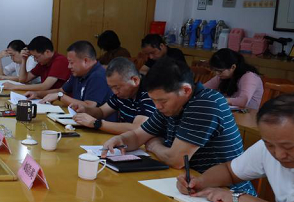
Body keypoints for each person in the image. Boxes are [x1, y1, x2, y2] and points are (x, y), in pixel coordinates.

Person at [102, 57, 254, 194]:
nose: (157, 106)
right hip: (191, 185)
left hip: (228, 194)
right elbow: (137, 136)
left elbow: (176, 160)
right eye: (153, 100)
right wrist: (120, 140)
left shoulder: (206, 104)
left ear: (186, 90)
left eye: (162, 101)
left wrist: (154, 145)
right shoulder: (170, 106)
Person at [68, 57, 157, 134]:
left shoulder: (150, 93)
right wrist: (86, 110)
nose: (114, 92)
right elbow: (102, 112)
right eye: (111, 87)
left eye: (117, 87)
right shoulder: (122, 93)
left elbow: (138, 128)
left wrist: (96, 123)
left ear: (135, 80)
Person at [34, 41, 113, 110]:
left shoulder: (98, 76)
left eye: (71, 62)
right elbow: (61, 91)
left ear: (85, 61)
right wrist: (37, 94)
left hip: (95, 121)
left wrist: (60, 97)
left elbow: (90, 106)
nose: (69, 66)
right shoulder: (78, 73)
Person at [2, 36, 70, 94]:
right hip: (47, 96)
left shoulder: (60, 60)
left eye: (36, 56)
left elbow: (45, 86)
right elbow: (23, 79)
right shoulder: (43, 63)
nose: (35, 59)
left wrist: (14, 86)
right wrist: (24, 60)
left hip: (61, 98)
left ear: (47, 52)